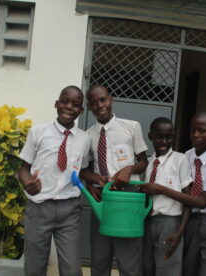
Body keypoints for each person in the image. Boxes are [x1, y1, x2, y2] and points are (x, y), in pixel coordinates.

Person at [139, 111, 206, 276]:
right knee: (188, 269)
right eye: (192, 130)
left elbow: (203, 201)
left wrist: (161, 189)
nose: (195, 135)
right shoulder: (186, 156)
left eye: (201, 131)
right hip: (192, 220)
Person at [18, 85, 90, 276]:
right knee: (35, 267)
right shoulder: (38, 132)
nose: (68, 107)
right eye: (64, 101)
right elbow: (23, 169)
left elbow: (83, 171)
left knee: (72, 270)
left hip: (69, 210)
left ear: (81, 111)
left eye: (75, 105)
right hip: (39, 208)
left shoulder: (84, 139)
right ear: (56, 103)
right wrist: (27, 183)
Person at [80, 85, 148, 276]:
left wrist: (129, 168)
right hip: (102, 200)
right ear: (89, 106)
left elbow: (143, 161)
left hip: (128, 199)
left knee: (129, 262)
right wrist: (90, 183)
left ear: (111, 99)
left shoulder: (131, 127)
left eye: (102, 100)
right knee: (100, 260)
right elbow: (83, 170)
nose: (99, 105)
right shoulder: (88, 136)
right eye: (93, 103)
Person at [141, 117, 193, 276]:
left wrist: (180, 232)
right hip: (148, 222)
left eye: (169, 137)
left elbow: (187, 200)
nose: (164, 141)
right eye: (159, 137)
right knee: (146, 265)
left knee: (167, 267)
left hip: (170, 222)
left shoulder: (180, 160)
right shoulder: (149, 163)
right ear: (150, 136)